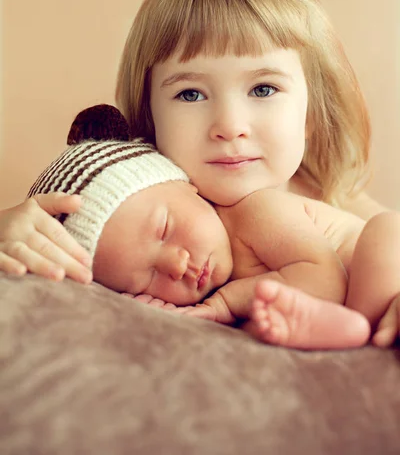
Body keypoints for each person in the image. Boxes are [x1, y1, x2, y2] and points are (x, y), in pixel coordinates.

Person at [0, 0, 396, 344]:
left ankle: (359, 322)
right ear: (150, 119)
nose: (229, 126)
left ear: (310, 114)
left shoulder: (334, 193)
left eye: (263, 88)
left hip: (363, 287)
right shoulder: (141, 212)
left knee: (387, 234)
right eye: (191, 94)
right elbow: (75, 227)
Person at [7, 104, 400, 350]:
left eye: (164, 229)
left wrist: (226, 306)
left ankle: (357, 326)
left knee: (385, 231)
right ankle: (352, 331)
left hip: (371, 272)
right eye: (144, 280)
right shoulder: (207, 276)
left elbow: (325, 280)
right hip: (343, 311)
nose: (175, 265)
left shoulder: (253, 211)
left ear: (189, 186)